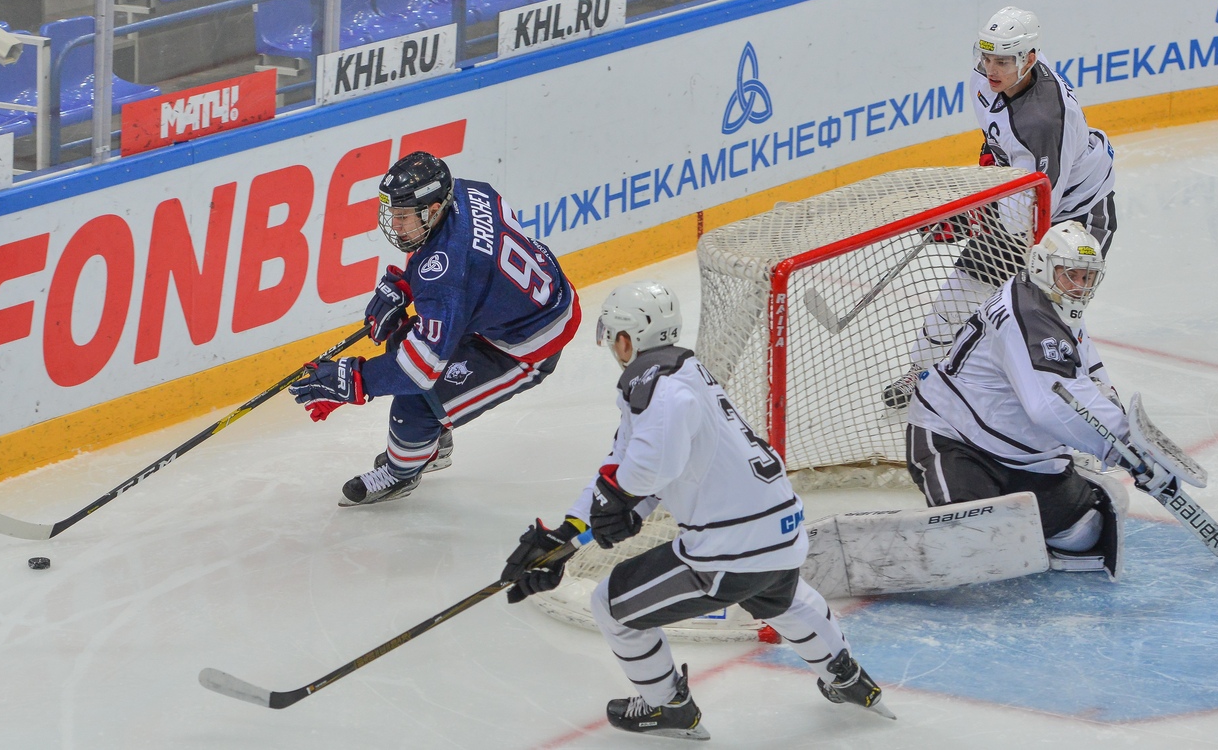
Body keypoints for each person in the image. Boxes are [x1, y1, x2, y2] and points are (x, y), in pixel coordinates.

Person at [502, 281, 893, 740]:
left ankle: (667, 705)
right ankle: (845, 675)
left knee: (612, 605)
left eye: (612, 338)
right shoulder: (685, 372)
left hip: (729, 550)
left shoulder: (658, 387)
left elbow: (648, 467)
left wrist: (619, 498)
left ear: (625, 339)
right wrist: (566, 535)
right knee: (779, 596)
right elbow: (633, 466)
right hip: (782, 532)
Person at [288, 151, 582, 506]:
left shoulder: (447, 279)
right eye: (393, 214)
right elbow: (458, 255)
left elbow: (421, 370)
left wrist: (356, 380)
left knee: (417, 404)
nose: (395, 225)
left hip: (528, 343)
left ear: (433, 209)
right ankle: (433, 443)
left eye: (403, 216)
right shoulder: (470, 192)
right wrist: (409, 284)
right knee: (402, 337)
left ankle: (400, 474)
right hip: (514, 302)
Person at [884, 5, 1118, 408]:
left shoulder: (1045, 120)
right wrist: (993, 164)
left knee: (1056, 311)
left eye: (1003, 62)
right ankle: (921, 370)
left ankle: (1100, 396)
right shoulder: (988, 76)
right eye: (987, 57)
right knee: (962, 289)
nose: (991, 69)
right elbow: (1000, 136)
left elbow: (1037, 209)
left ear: (1029, 59)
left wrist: (968, 217)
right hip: (1021, 200)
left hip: (1076, 210)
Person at [905, 222, 1141, 576]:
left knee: (1084, 533)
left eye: (1087, 277)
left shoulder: (1058, 306)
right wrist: (1121, 448)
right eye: (1071, 275)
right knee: (970, 537)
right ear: (1043, 266)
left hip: (1027, 457)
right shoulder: (1028, 313)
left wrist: (1131, 442)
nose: (1080, 286)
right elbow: (1049, 404)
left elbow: (1089, 376)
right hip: (958, 440)